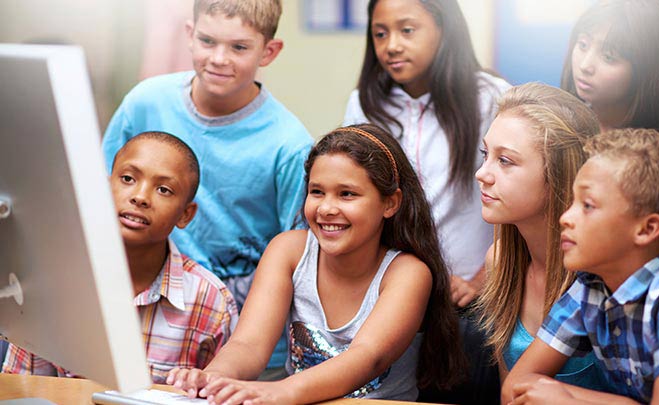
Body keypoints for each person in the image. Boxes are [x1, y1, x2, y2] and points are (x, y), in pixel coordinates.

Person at [166, 124, 465, 404]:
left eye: (347, 194)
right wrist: (212, 379)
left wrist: (279, 392)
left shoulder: (408, 272)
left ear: (390, 203)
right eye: (317, 191)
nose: (327, 208)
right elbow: (249, 345)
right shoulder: (288, 251)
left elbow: (367, 357)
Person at [101, 0, 314, 374]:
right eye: (207, 40)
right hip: (146, 321)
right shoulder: (145, 102)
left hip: (248, 338)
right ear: (189, 35)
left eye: (239, 47)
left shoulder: (289, 144)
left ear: (270, 51)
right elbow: (97, 195)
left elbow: (298, 250)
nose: (219, 58)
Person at [503, 129, 659, 404]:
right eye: (573, 202)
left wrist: (569, 400)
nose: (565, 218)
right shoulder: (592, 285)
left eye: (588, 205)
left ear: (647, 229)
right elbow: (515, 386)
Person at [2, 132, 238, 383]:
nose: (140, 197)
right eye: (128, 178)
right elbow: (23, 390)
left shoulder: (211, 301)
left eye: (164, 189)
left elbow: (220, 393)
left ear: (185, 215)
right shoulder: (51, 283)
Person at [343, 0, 511, 308]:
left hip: (473, 292)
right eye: (380, 34)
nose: (392, 45)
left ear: (443, 29)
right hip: (392, 289)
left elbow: (519, 196)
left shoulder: (490, 97)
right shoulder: (364, 103)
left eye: (407, 30)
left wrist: (485, 277)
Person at [474, 83, 610, 394]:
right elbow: (509, 392)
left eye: (505, 161)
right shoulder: (499, 262)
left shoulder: (606, 277)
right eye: (485, 154)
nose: (482, 173)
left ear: (561, 174)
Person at [560, 0, 659, 151]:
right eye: (583, 45)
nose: (585, 66)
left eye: (608, 56)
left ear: (647, 71)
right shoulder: (562, 129)